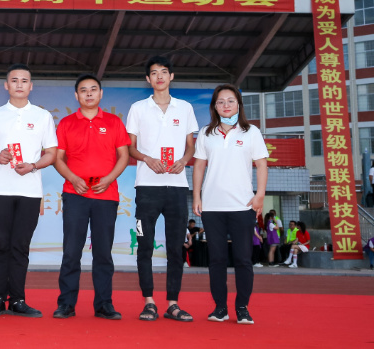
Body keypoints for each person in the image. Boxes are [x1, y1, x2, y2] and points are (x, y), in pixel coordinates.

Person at [0, 63, 57, 318]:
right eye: (14, 80)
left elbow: (51, 153)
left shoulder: (43, 116)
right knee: (1, 245)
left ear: (31, 86)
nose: (19, 84)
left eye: (24, 80)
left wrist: (33, 165)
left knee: (21, 246)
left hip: (30, 191)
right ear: (6, 85)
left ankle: (18, 300)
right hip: (0, 189)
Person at [52, 74, 130, 321]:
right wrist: (73, 178)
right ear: (76, 95)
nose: (88, 94)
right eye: (83, 90)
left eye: (93, 89)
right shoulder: (66, 123)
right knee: (71, 251)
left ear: (101, 94)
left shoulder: (114, 122)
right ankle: (66, 304)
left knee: (103, 253)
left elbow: (124, 156)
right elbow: (57, 158)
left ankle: (104, 304)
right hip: (75, 194)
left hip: (106, 195)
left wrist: (108, 179)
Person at [126, 56, 198, 322]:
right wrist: (147, 159)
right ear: (148, 79)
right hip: (146, 188)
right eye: (154, 73)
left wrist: (184, 161)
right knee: (144, 245)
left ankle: (173, 303)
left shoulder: (185, 108)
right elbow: (130, 147)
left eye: (164, 72)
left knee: (175, 248)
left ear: (171, 76)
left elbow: (191, 145)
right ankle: (149, 302)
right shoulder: (138, 108)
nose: (159, 77)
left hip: (177, 188)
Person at [193, 84, 268, 325]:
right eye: (220, 101)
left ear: (238, 104)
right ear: (214, 106)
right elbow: (199, 166)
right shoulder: (206, 133)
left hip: (242, 206)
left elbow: (262, 164)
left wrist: (260, 195)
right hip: (212, 207)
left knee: (243, 259)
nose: (226, 105)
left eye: (230, 101)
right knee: (216, 260)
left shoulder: (251, 132)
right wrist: (197, 197)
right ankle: (220, 308)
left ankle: (242, 308)